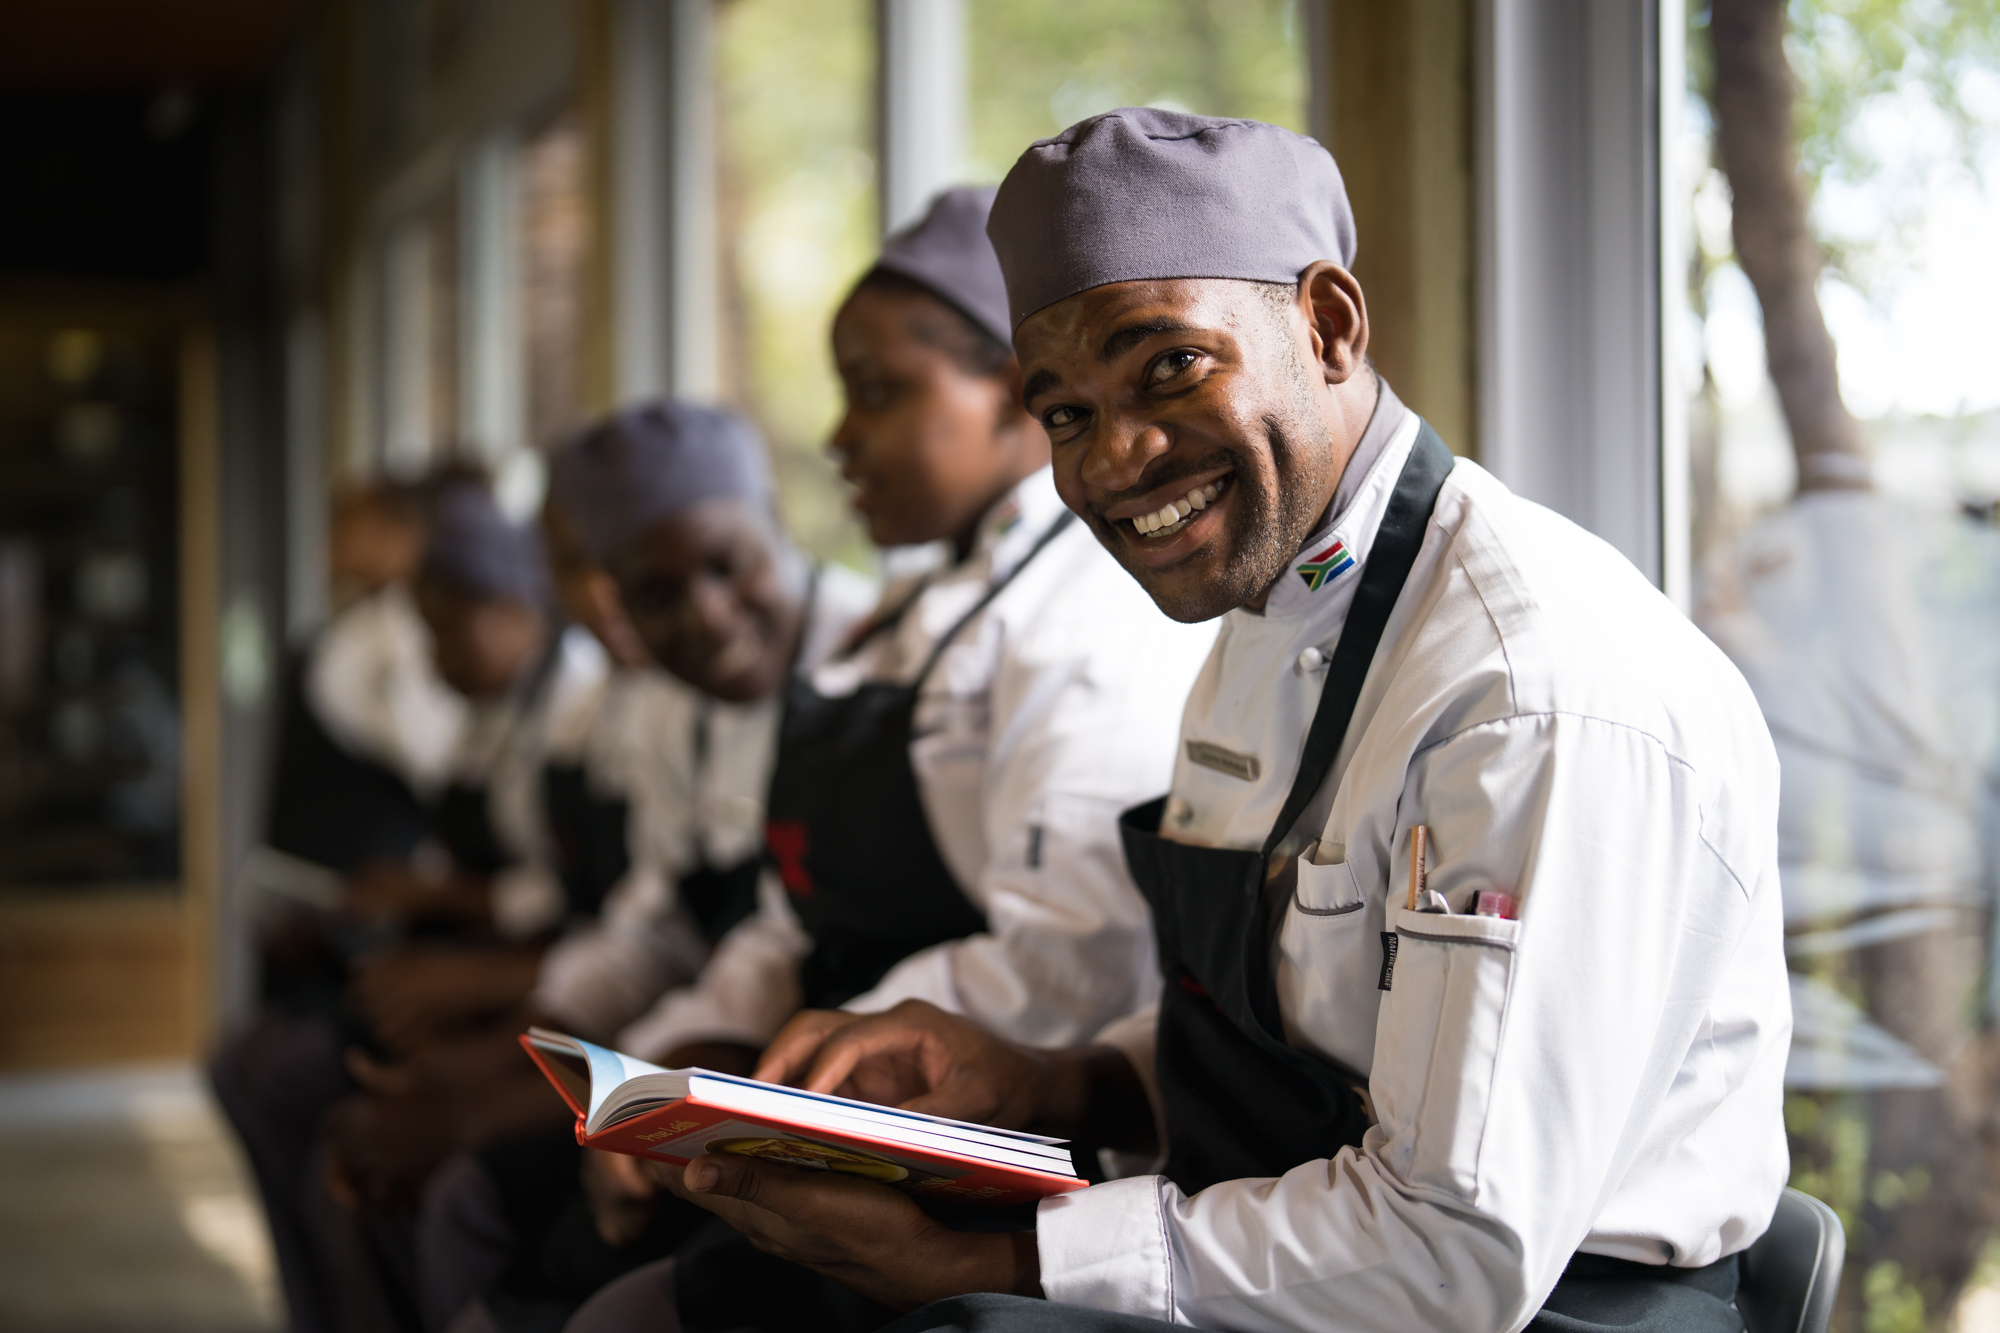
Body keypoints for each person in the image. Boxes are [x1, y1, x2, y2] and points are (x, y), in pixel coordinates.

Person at [575, 110, 1794, 1333]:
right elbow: (1298, 1041)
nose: (1115, 460)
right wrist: (1051, 1082)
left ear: (1326, 325)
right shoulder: (1263, 611)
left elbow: (1448, 1254)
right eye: (1061, 412)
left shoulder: (1524, 695)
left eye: (1169, 367)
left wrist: (982, 1264)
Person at [441, 186, 1216, 1333]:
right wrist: (663, 1076)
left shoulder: (1084, 620)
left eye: (876, 393)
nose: (839, 439)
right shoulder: (919, 615)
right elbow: (789, 910)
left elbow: (1067, 974)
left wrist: (781, 1082)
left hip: (988, 1143)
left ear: (1010, 388)